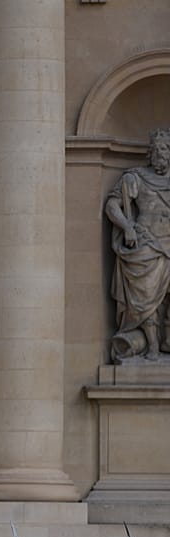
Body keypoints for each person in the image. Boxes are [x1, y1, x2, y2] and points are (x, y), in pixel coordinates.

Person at [105, 127, 170, 362]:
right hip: (146, 245)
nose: (160, 154)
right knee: (145, 299)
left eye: (164, 149)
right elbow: (113, 205)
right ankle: (152, 345)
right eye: (156, 150)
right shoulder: (135, 178)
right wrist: (127, 226)